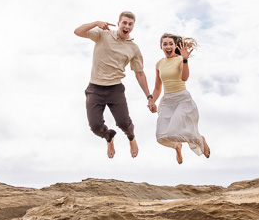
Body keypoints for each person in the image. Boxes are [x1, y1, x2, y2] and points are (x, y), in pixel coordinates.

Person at [74, 12, 152, 159]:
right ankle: (109, 137)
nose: (127, 26)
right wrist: (95, 22)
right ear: (118, 23)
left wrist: (149, 96)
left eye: (130, 24)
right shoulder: (102, 34)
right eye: (124, 23)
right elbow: (78, 31)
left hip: (115, 88)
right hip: (95, 88)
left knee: (123, 123)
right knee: (95, 127)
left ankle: (131, 137)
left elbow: (139, 73)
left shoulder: (133, 48)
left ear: (133, 27)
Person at [148, 33, 210, 163]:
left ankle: (200, 139)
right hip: (167, 101)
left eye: (171, 44)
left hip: (182, 100)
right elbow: (158, 88)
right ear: (161, 47)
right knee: (161, 136)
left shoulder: (180, 60)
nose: (168, 46)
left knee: (174, 131)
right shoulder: (159, 64)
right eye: (165, 44)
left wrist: (185, 59)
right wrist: (151, 100)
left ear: (175, 46)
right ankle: (177, 146)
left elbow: (184, 78)